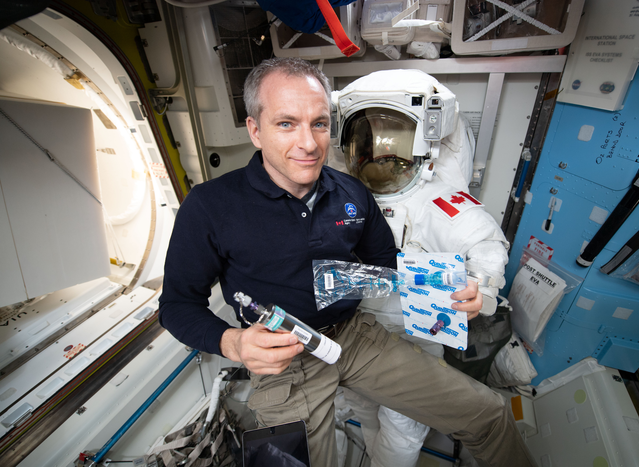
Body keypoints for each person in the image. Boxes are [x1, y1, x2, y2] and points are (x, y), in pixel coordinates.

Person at [159, 57, 535, 467]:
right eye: (287, 124)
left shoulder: (352, 193)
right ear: (255, 130)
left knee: (489, 414)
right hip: (287, 356)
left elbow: (385, 268)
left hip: (355, 337)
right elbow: (177, 306)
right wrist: (233, 343)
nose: (308, 143)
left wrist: (465, 284)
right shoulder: (210, 207)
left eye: (319, 124)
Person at [328, 69, 512, 466]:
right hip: (357, 332)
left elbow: (486, 244)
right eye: (367, 137)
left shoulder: (437, 202)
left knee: (403, 425)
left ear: (427, 142)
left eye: (394, 139)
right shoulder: (339, 192)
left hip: (414, 334)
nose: (379, 155)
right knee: (363, 408)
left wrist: (483, 287)